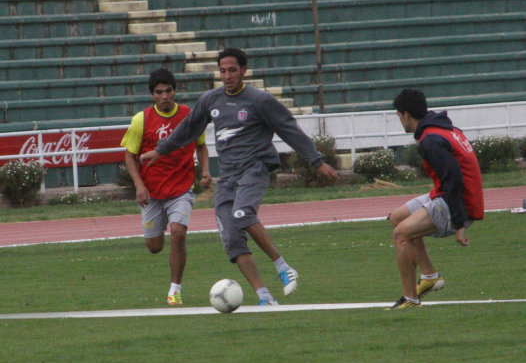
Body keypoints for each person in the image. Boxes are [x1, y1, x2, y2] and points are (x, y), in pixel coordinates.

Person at [140, 48, 339, 305]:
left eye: (232, 70)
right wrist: (160, 150)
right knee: (232, 240)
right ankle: (265, 297)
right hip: (228, 178)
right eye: (222, 71)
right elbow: (188, 129)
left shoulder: (259, 100)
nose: (227, 75)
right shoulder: (211, 100)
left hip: (254, 170)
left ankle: (283, 267)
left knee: (243, 214)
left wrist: (317, 162)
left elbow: (289, 129)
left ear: (243, 70)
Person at [120, 68, 212, 306]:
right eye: (159, 92)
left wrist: (204, 170)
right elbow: (130, 156)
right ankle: (158, 235)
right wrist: (139, 185)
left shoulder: (189, 115)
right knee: (154, 247)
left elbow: (201, 146)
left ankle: (175, 290)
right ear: (152, 95)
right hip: (151, 192)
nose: (164, 96)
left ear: (174, 91)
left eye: (168, 91)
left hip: (181, 188)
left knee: (178, 233)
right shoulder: (141, 120)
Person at [388, 89, 484, 309]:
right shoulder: (441, 128)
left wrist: (460, 224)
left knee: (401, 234)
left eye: (398, 116)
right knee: (397, 218)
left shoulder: (430, 140)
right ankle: (430, 276)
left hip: (460, 202)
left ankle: (410, 300)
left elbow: (454, 181)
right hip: (452, 194)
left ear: (405, 115)